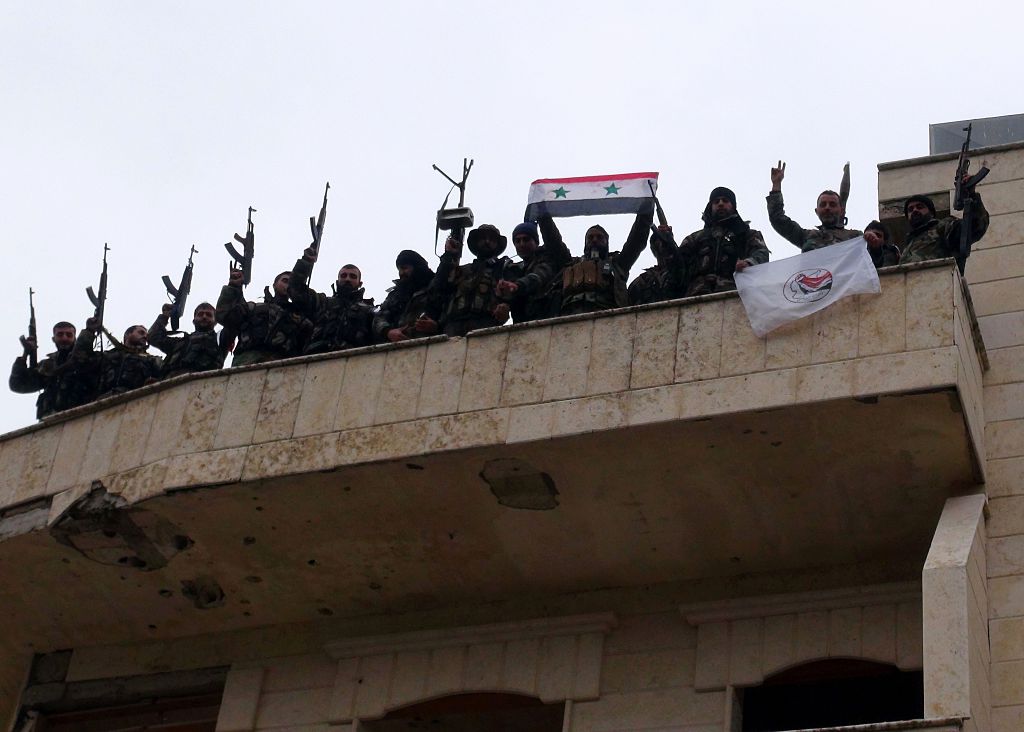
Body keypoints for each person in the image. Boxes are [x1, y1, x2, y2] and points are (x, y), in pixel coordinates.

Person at [541, 205, 653, 316]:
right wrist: (542, 214)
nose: (594, 240)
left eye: (600, 237)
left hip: (607, 319)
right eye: (590, 238)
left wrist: (646, 208)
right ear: (585, 243)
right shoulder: (570, 264)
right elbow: (553, 242)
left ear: (607, 242)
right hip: (570, 319)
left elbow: (637, 239)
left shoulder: (618, 264)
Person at [672, 187, 769, 296]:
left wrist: (748, 262)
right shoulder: (695, 238)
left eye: (725, 200)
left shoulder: (747, 234)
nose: (720, 204)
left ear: (733, 206)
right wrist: (666, 242)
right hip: (696, 295)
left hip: (734, 294)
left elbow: (762, 253)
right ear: (711, 207)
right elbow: (677, 265)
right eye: (716, 201)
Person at [216, 268, 313, 365]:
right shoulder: (253, 308)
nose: (288, 285)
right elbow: (224, 316)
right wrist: (233, 287)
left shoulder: (300, 319)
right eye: (285, 281)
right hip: (247, 363)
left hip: (284, 368)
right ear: (274, 285)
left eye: (292, 283)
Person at [288, 249, 375, 354]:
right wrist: (306, 262)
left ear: (360, 283)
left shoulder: (368, 310)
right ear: (337, 280)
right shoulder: (323, 302)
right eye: (343, 275)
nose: (347, 279)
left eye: (352, 276)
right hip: (316, 357)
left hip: (352, 359)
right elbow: (296, 289)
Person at [433, 224, 512, 337]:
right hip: (453, 327)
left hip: (486, 325)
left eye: (492, 239)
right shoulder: (461, 270)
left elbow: (515, 294)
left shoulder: (504, 268)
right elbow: (439, 286)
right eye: (483, 238)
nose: (487, 242)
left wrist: (505, 306)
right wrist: (448, 254)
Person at [766, 161, 862, 251]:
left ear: (841, 210)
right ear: (817, 211)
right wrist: (776, 184)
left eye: (832, 205)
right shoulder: (807, 236)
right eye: (823, 205)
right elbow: (778, 219)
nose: (827, 208)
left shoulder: (856, 237)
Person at [9, 321, 96, 419]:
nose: (64, 338)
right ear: (53, 339)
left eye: (69, 335)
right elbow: (17, 384)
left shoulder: (88, 359)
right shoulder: (46, 365)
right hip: (51, 422)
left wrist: (89, 331)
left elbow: (80, 359)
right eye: (60, 334)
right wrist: (26, 353)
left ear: (75, 339)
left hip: (82, 417)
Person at [496, 221, 570, 323]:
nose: (522, 244)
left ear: (536, 242)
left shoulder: (549, 258)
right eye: (517, 241)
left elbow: (539, 275)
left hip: (549, 322)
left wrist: (518, 286)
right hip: (522, 328)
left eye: (526, 239)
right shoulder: (513, 270)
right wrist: (504, 305)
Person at [900, 191, 989, 265]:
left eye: (920, 207)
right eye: (910, 209)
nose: (915, 210)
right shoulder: (908, 244)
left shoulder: (943, 226)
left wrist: (971, 195)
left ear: (931, 213)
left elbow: (974, 227)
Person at [78, 320, 162, 398]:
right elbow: (81, 361)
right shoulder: (108, 355)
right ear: (128, 335)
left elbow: (163, 378)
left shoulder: (151, 360)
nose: (144, 337)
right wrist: (89, 331)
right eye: (141, 333)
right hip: (104, 402)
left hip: (136, 400)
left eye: (146, 335)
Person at [372, 250, 440, 343]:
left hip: (431, 345)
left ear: (417, 268)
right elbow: (379, 317)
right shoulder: (396, 294)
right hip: (397, 347)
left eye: (404, 268)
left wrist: (436, 326)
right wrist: (388, 331)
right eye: (399, 269)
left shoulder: (435, 286)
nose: (401, 273)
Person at [149, 302, 227, 379]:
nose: (204, 317)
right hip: (171, 384)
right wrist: (165, 315)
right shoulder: (180, 343)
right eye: (200, 314)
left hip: (204, 384)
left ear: (216, 321)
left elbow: (232, 325)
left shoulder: (220, 339)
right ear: (194, 320)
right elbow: (153, 337)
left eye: (209, 315)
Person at [627, 232, 678, 305]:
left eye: (666, 244)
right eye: (659, 245)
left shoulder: (683, 272)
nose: (663, 248)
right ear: (653, 250)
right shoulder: (641, 282)